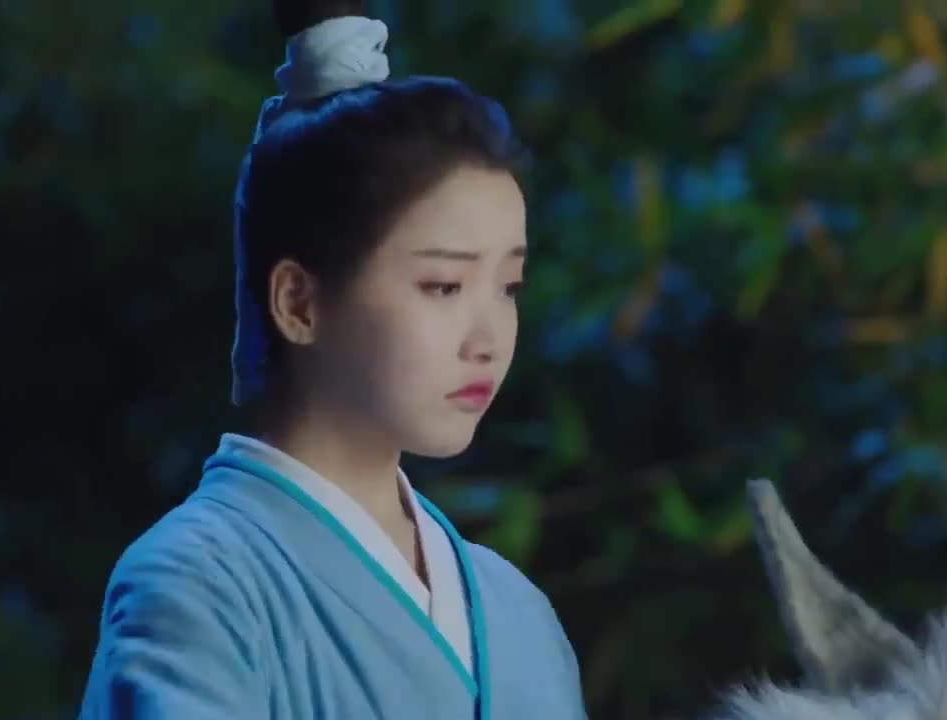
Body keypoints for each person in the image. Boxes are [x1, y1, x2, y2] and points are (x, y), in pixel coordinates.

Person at [75, 1, 586, 718]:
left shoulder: (517, 611)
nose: (488, 338)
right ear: (299, 302)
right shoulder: (198, 584)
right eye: (444, 285)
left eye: (508, 287)